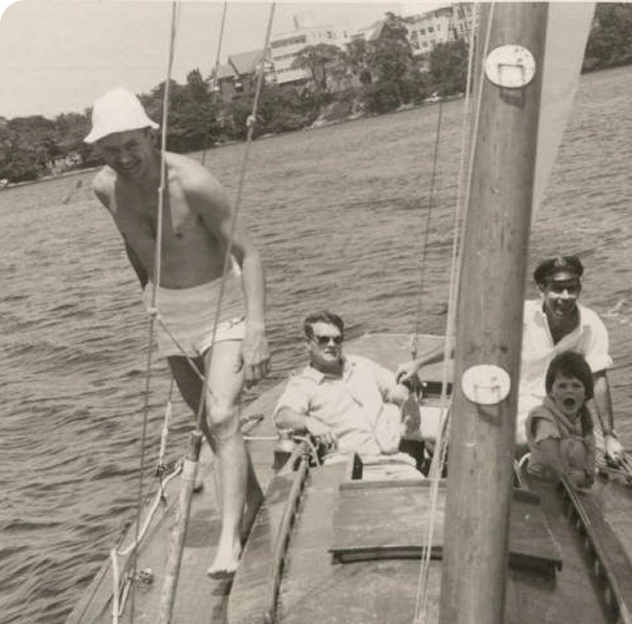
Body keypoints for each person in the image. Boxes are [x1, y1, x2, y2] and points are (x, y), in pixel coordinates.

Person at [86, 87, 270, 580]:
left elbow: (248, 253)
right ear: (98, 152)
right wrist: (146, 288)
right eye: (111, 149)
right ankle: (253, 499)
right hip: (170, 313)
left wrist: (257, 330)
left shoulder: (194, 182)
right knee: (210, 426)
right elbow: (133, 240)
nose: (124, 158)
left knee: (224, 412)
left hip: (222, 305)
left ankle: (229, 541)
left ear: (151, 134)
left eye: (131, 145)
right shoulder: (105, 188)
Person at [395, 255, 623, 460]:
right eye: (557, 289)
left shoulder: (591, 326)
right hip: (506, 399)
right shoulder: (518, 316)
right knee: (451, 439)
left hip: (554, 409)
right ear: (541, 290)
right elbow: (469, 341)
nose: (565, 297)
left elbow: (599, 380)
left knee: (521, 443)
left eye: (571, 289)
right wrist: (418, 363)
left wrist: (609, 435)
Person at [273, 311, 423, 479]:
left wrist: (408, 403)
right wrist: (309, 422)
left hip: (396, 461)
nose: (331, 344)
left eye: (337, 339)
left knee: (424, 493)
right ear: (308, 343)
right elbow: (282, 416)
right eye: (323, 339)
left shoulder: (361, 366)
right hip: (348, 468)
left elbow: (397, 386)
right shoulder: (303, 384)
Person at [525, 351, 596, 490]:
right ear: (551, 391)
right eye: (562, 386)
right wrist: (569, 481)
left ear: (586, 393)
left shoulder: (584, 419)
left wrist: (587, 475)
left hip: (574, 481)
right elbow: (552, 460)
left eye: (576, 386)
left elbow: (591, 456)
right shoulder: (543, 417)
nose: (569, 391)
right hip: (542, 484)